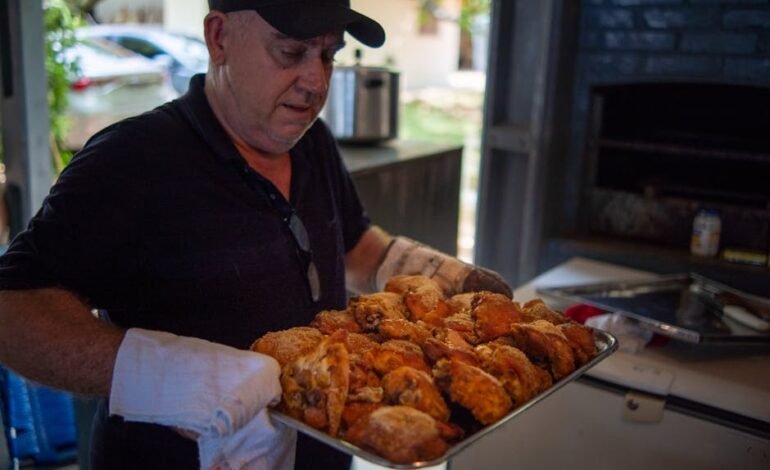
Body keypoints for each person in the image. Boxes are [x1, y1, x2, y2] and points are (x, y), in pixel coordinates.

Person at [0, 1, 511, 469]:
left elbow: (355, 246)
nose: (315, 82)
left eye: (328, 55)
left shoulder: (311, 143)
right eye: (290, 51)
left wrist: (448, 275)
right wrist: (174, 378)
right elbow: (13, 312)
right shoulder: (134, 160)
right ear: (219, 37)